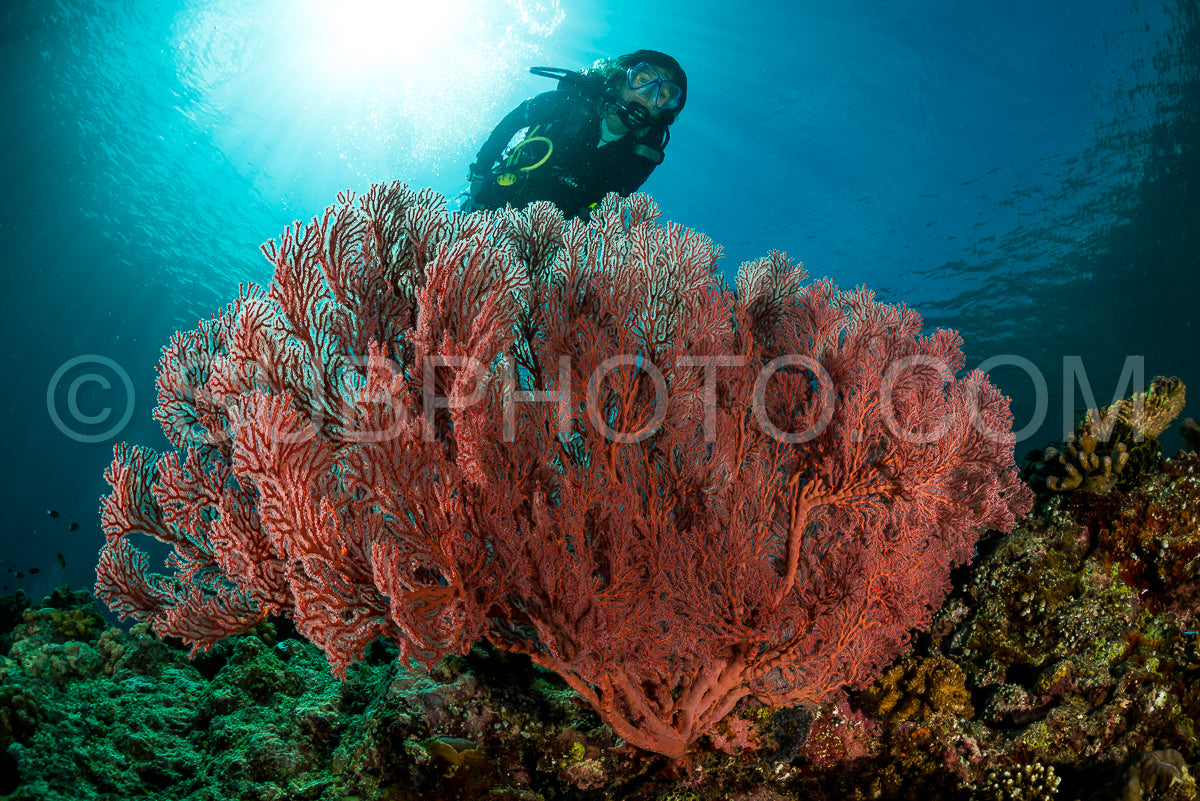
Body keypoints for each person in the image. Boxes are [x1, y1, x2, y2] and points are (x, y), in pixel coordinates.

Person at [463, 50, 687, 220]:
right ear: (620, 79)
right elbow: (514, 120)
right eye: (642, 81)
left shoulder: (643, 155)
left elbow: (612, 200)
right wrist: (479, 176)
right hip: (501, 196)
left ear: (664, 113)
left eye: (663, 95)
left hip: (558, 228)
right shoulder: (572, 102)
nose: (648, 96)